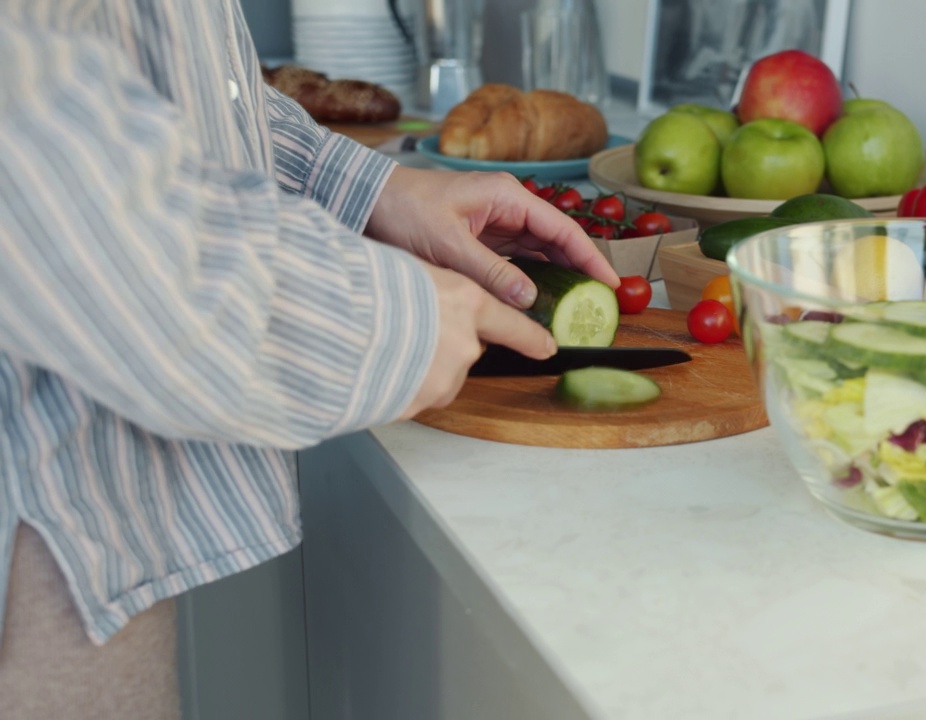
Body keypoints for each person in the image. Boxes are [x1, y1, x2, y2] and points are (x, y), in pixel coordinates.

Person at [0, 1, 620, 717]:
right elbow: (68, 214)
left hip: (77, 526)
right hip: (35, 559)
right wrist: (396, 319)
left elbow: (153, 83)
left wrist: (366, 187)